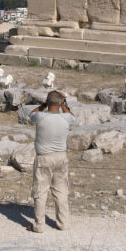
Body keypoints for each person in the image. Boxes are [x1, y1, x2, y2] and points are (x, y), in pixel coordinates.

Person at [28, 90, 75, 233]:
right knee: (61, 191)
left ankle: (39, 225)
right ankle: (63, 223)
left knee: (41, 192)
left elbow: (31, 115)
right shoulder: (66, 118)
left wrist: (43, 105)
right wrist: (64, 103)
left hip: (44, 157)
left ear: (47, 102)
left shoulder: (40, 117)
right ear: (60, 103)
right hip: (61, 157)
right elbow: (71, 115)